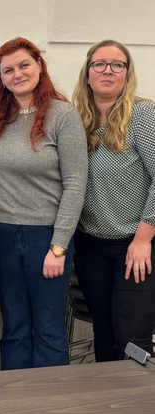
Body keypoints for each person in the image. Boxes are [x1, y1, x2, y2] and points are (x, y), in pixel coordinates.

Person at [0, 37, 88, 370]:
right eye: (8, 70)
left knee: (49, 329)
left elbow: (76, 184)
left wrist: (59, 246)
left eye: (24, 65)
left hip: (46, 237)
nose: (18, 74)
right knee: (14, 328)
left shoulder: (63, 115)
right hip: (1, 235)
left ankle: (50, 401)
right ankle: (14, 398)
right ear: (1, 78)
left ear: (39, 65)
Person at [72, 40, 155, 362]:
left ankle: (136, 397)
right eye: (99, 64)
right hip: (90, 245)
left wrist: (143, 240)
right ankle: (107, 395)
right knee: (103, 333)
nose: (108, 71)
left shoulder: (142, 115)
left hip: (134, 245)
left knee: (132, 340)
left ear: (126, 73)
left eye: (117, 64)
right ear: (88, 72)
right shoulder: (77, 119)